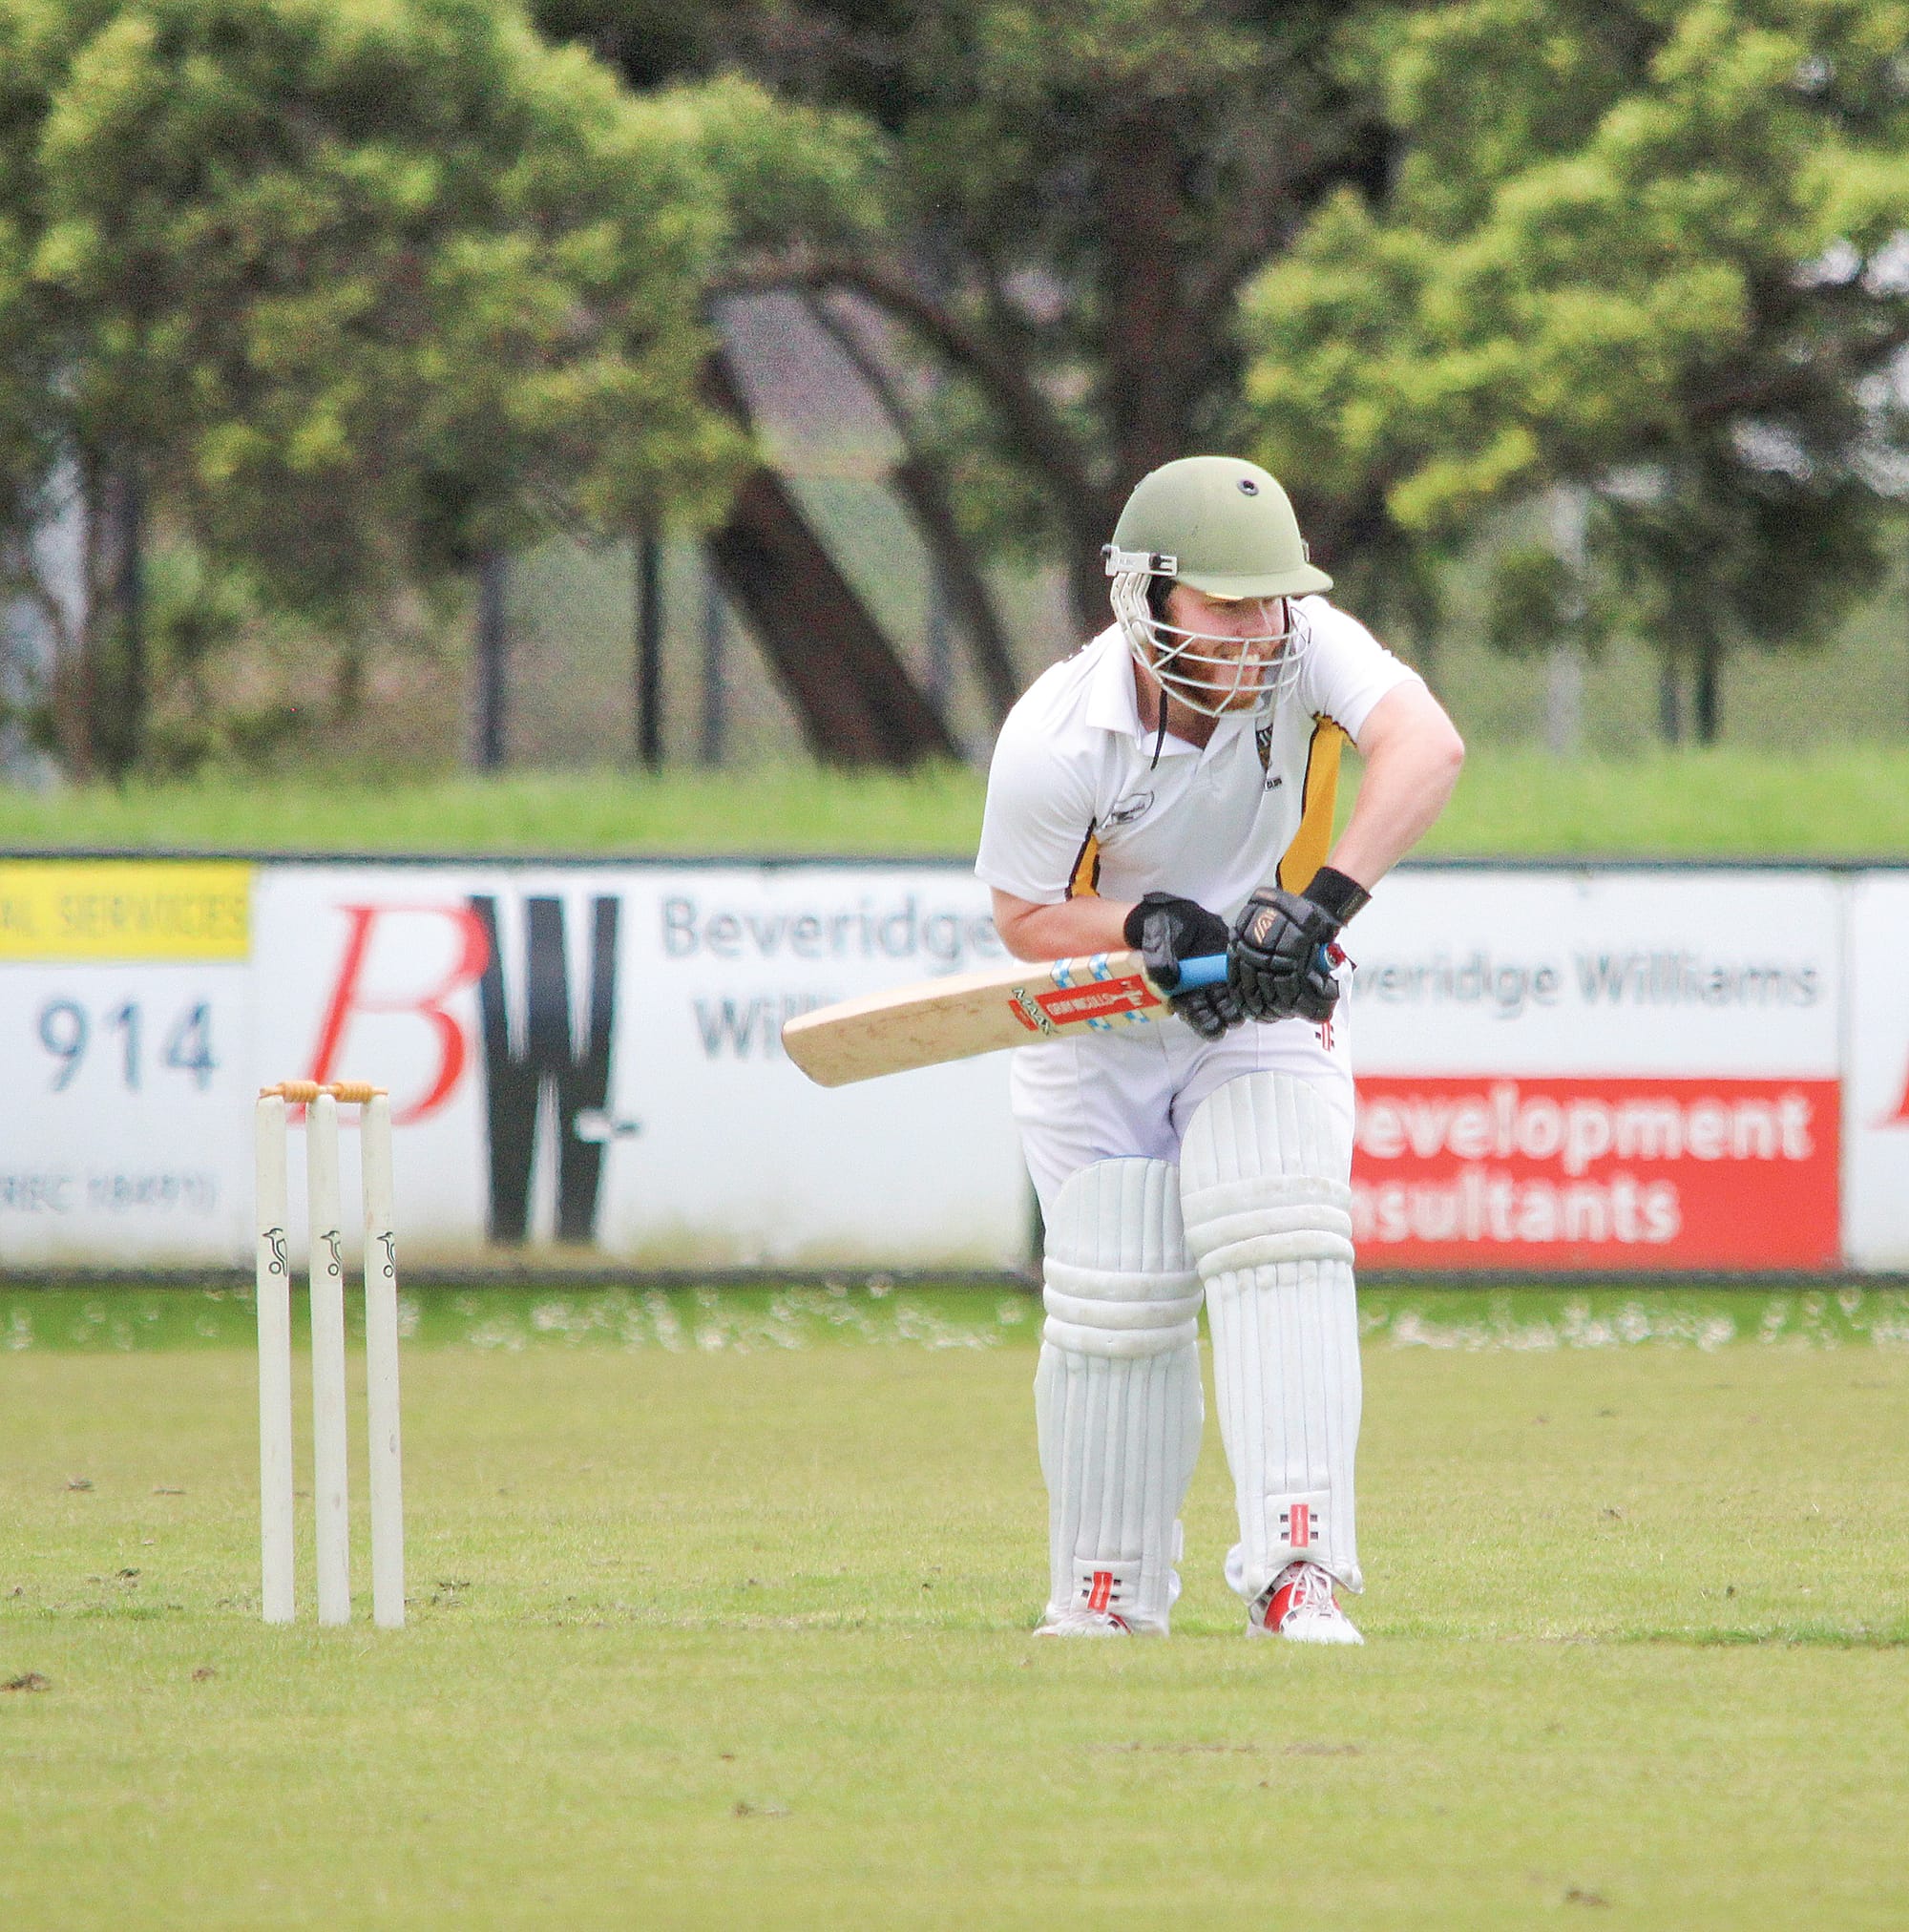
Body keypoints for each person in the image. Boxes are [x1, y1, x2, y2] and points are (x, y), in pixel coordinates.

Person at [975, 454, 1463, 1641]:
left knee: (1281, 1231)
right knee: (1116, 1291)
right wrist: (1146, 926)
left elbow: (1426, 747)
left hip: (1261, 1002)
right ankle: (1103, 1589)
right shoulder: (1054, 734)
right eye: (1223, 603)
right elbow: (1024, 916)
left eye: (1268, 599)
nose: (1254, 632)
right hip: (1098, 1021)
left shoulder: (1310, 643)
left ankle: (1297, 1573)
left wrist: (1316, 906)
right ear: (1144, 597)